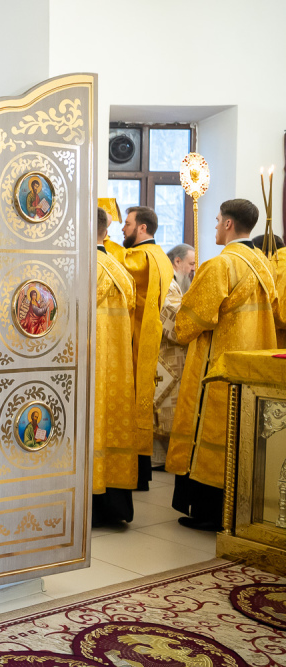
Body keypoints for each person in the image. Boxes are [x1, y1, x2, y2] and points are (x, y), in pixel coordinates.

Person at [167, 199, 282, 530]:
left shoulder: (221, 265)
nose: (216, 226)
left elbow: (192, 322)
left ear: (229, 224)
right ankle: (237, 510)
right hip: (252, 362)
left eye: (218, 220)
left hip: (220, 363)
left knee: (214, 432)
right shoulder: (263, 264)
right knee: (240, 433)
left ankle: (209, 511)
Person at [104, 206, 173, 491]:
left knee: (128, 399)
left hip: (134, 336)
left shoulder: (143, 257)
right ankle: (138, 469)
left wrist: (102, 234)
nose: (123, 229)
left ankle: (129, 468)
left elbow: (117, 261)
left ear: (142, 228)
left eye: (128, 224)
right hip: (146, 334)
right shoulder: (161, 255)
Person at [92, 207, 139, 525]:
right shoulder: (120, 270)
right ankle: (114, 507)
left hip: (90, 365)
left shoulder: (80, 267)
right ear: (105, 231)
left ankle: (90, 505)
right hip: (118, 369)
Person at [152, 245, 194, 469]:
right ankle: (159, 459)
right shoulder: (168, 284)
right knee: (164, 408)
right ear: (177, 262)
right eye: (191, 264)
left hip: (172, 360)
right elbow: (178, 325)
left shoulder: (177, 285)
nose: (193, 269)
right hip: (167, 360)